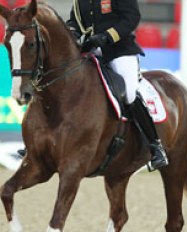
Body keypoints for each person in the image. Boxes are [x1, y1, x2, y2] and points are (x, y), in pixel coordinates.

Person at [65, 0, 168, 171]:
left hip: (119, 51)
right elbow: (75, 22)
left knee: (128, 93)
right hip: (90, 50)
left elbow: (132, 17)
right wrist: (74, 34)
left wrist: (107, 36)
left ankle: (155, 146)